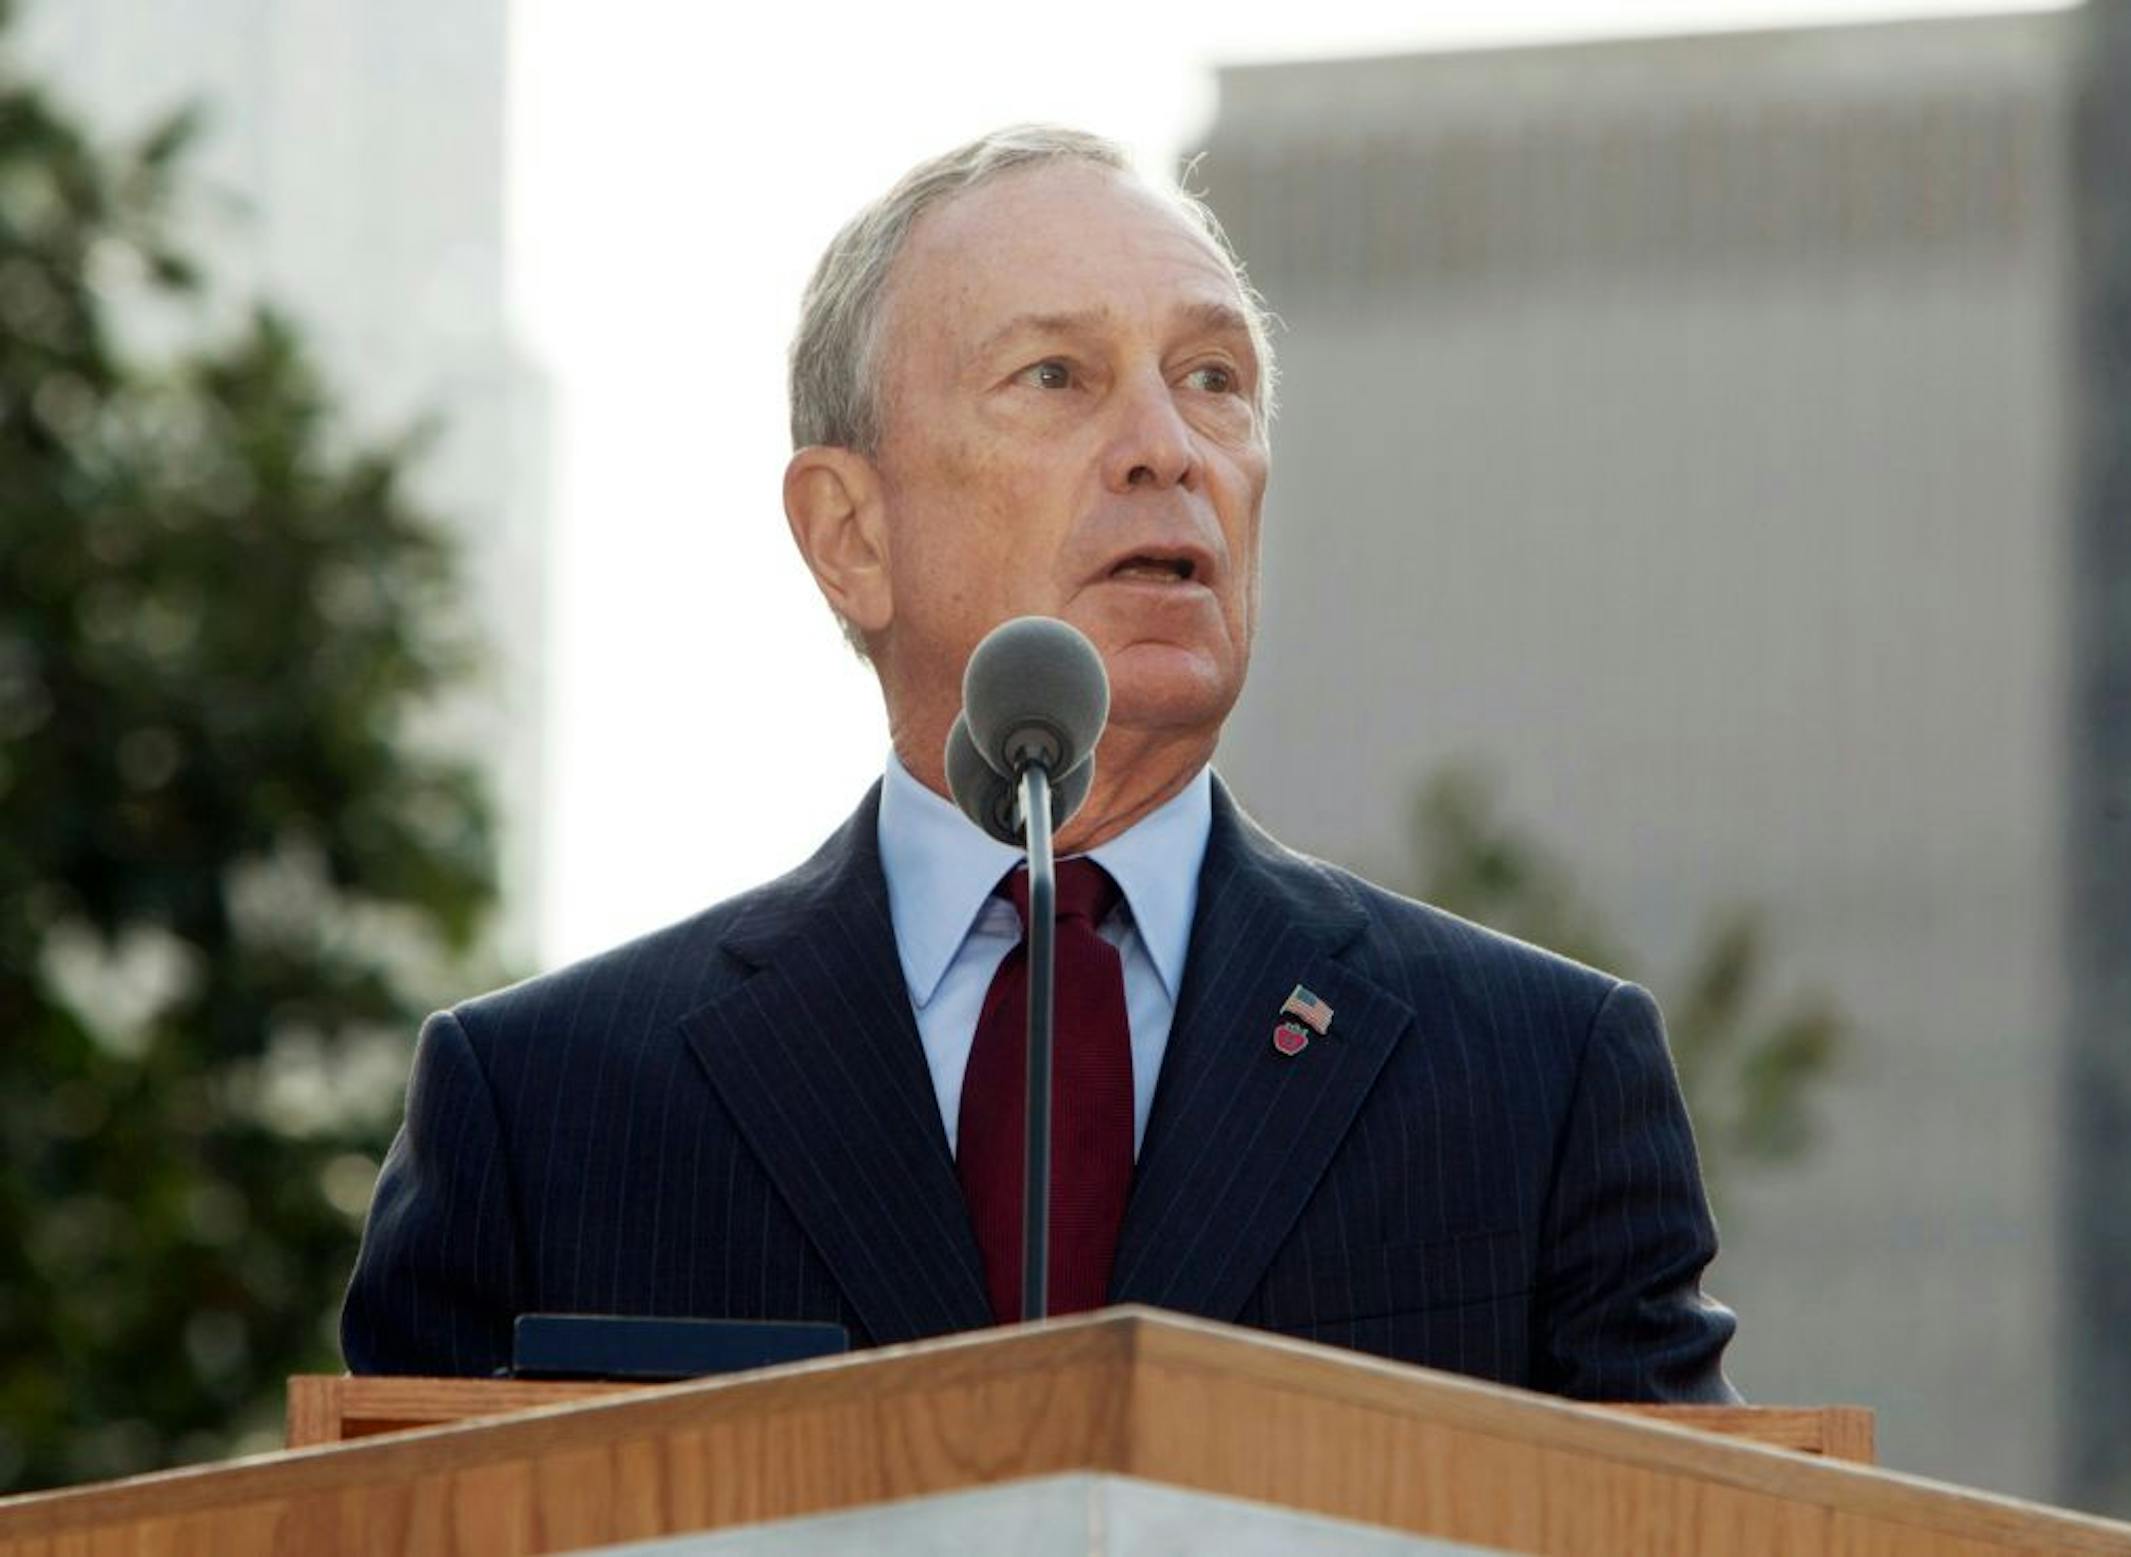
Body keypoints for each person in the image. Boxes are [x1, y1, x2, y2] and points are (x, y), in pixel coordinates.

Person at [342, 125, 1738, 1402]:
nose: (1166, 450)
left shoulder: (1536, 1081)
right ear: (852, 534)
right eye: (1056, 376)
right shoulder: (546, 1108)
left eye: (1214, 380)